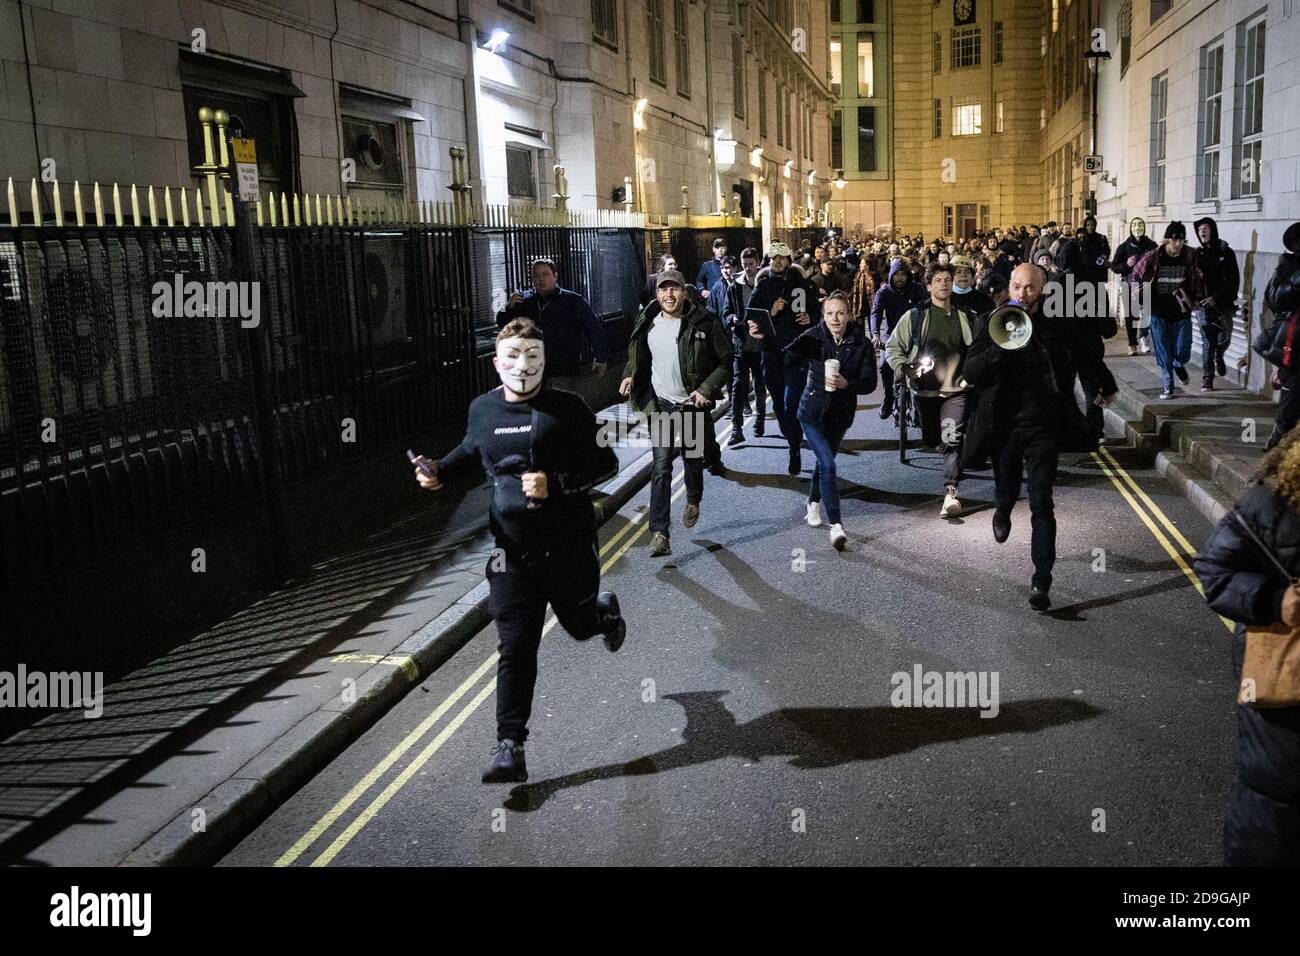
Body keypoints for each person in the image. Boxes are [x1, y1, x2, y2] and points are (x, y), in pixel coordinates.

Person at [412, 318, 627, 784]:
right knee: (516, 645)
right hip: (510, 554)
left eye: (532, 356)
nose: (522, 365)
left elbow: (607, 463)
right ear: (496, 362)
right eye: (512, 356)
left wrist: (559, 483)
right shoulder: (482, 410)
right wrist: (438, 472)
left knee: (579, 625)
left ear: (544, 360)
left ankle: (603, 614)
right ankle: (509, 745)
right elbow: (473, 450)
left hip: (568, 547)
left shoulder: (569, 408)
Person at [962, 263, 1119, 611]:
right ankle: (1001, 510)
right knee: (1007, 490)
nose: (1021, 293)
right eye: (1016, 286)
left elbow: (1086, 354)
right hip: (1004, 427)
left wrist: (1107, 385)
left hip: (1044, 426)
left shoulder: (1059, 324)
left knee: (1041, 503)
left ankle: (1041, 581)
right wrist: (1002, 346)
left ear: (1042, 290)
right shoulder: (992, 320)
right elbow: (970, 372)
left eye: (1029, 288)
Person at [1193, 427, 1300, 865]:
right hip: (1285, 682)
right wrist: (1275, 600)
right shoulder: (1274, 499)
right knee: (1274, 800)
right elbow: (1215, 572)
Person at [620, 270, 732, 557]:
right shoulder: (648, 322)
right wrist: (630, 375)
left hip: (691, 405)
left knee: (692, 459)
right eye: (663, 290)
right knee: (661, 467)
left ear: (684, 291)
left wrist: (706, 389)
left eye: (675, 290)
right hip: (662, 406)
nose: (669, 295)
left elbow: (725, 360)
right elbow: (637, 356)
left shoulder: (703, 322)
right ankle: (659, 532)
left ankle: (693, 498)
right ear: (657, 294)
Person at [783, 292, 877, 550]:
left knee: (825, 463)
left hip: (840, 414)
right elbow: (786, 358)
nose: (835, 318)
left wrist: (849, 383)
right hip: (811, 411)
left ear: (848, 315)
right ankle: (837, 524)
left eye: (840, 313)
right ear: (823, 315)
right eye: (829, 313)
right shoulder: (814, 337)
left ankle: (812, 502)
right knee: (827, 463)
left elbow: (870, 383)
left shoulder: (861, 343)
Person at [885, 262, 977, 517]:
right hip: (925, 391)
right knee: (932, 438)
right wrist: (903, 367)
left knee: (951, 437)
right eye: (938, 280)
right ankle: (945, 452)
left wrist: (973, 374)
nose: (945, 283)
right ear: (929, 286)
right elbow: (893, 348)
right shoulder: (915, 316)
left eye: (948, 279)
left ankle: (951, 492)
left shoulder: (966, 316)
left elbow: (978, 349)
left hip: (955, 389)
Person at [748, 241, 819, 476]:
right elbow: (751, 319)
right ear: (769, 262)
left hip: (797, 355)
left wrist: (811, 317)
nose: (777, 261)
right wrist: (772, 312)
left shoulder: (803, 285)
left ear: (789, 260)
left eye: (782, 257)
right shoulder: (762, 287)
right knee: (778, 403)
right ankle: (790, 435)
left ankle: (794, 448)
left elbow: (819, 315)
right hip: (771, 354)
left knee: (791, 403)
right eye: (773, 258)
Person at [496, 259, 609, 385]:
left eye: (545, 274)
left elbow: (593, 329)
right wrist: (509, 307)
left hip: (564, 366)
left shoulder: (573, 301)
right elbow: (503, 326)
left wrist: (601, 357)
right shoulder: (523, 300)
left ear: (555, 276)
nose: (540, 279)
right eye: (536, 275)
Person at [1131, 221, 1208, 400]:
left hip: (1182, 311)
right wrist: (1140, 293)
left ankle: (1178, 364)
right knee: (1163, 352)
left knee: (1183, 349)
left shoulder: (1190, 255)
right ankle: (1168, 386)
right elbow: (1134, 276)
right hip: (1157, 311)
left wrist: (1196, 298)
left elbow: (1196, 278)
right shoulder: (1153, 256)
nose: (1178, 243)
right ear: (1167, 240)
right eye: (1174, 239)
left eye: (1181, 239)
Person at [710, 250, 767, 446]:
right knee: (737, 387)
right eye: (745, 263)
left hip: (760, 346)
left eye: (751, 263)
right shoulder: (734, 287)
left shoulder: (764, 285)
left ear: (757, 263)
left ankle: (759, 419)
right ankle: (736, 429)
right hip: (740, 345)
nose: (747, 267)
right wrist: (732, 319)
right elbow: (726, 311)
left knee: (760, 386)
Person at [871, 258, 925, 419]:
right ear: (891, 276)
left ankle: (918, 401)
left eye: (903, 274)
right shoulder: (884, 292)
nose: (900, 278)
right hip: (891, 337)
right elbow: (876, 313)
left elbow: (926, 309)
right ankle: (888, 398)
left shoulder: (917, 289)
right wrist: (875, 334)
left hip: (914, 336)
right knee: (885, 365)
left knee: (923, 366)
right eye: (896, 275)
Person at [1263, 222, 1300, 449]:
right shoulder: (1287, 265)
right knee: (1290, 406)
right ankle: (1277, 443)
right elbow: (1274, 298)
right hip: (1294, 345)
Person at [1194, 217, 1241, 391]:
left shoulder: (1226, 252)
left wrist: (1217, 298)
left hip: (1223, 305)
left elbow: (1233, 281)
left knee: (1225, 338)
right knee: (1208, 342)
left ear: (1212, 230)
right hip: (1203, 307)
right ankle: (1207, 377)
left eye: (1205, 228)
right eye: (1199, 230)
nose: (1202, 232)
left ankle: (1218, 355)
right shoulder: (1197, 255)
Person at [1111, 217, 1158, 355]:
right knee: (1131, 316)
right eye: (1135, 225)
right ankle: (1132, 344)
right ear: (1130, 228)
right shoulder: (1124, 247)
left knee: (1148, 314)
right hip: (1128, 285)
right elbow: (1114, 267)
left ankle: (1144, 336)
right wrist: (1126, 264)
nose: (1138, 228)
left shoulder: (1151, 245)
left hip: (1146, 286)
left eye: (1140, 225)